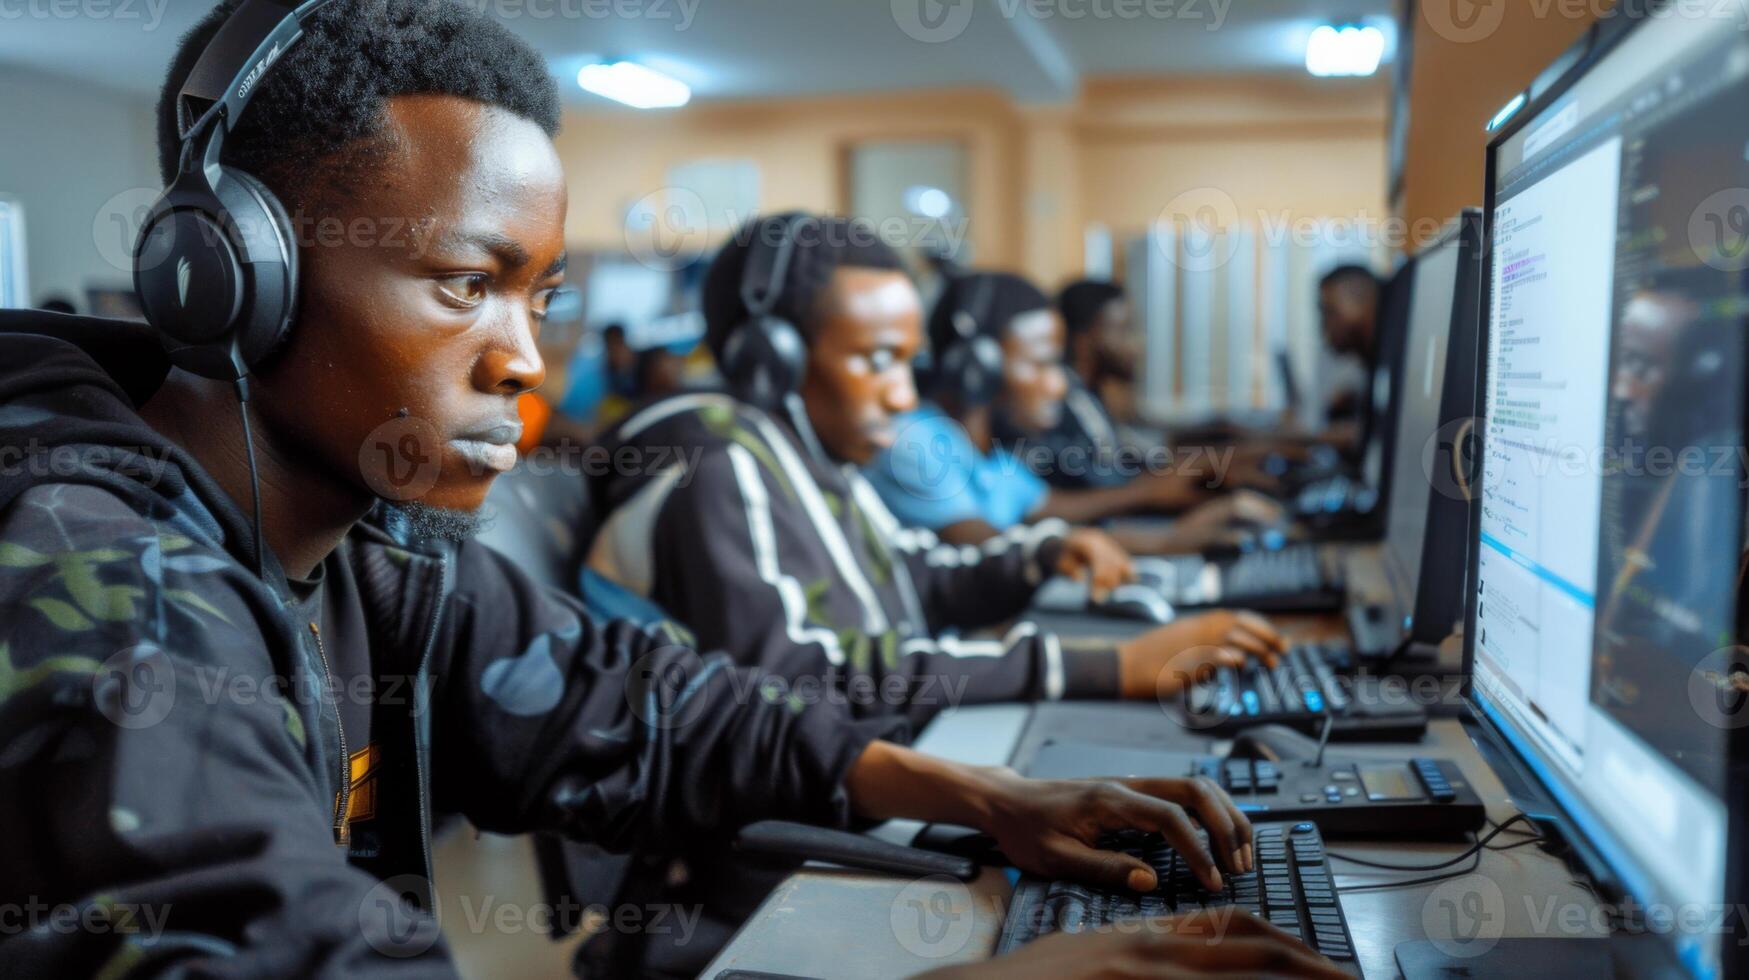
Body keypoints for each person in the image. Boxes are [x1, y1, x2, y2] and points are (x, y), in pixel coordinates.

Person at [0, 4, 1341, 977]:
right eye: (470, 283)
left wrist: (980, 797)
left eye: (542, 295)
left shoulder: (380, 552)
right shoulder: (92, 586)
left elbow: (635, 702)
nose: (526, 358)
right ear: (232, 279)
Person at [868, 271, 1280, 551]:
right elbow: (995, 548)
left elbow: (1052, 510)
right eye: (1043, 363)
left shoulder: (990, 455)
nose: (1061, 384)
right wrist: (1165, 536)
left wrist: (1175, 523)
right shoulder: (916, 442)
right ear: (981, 366)